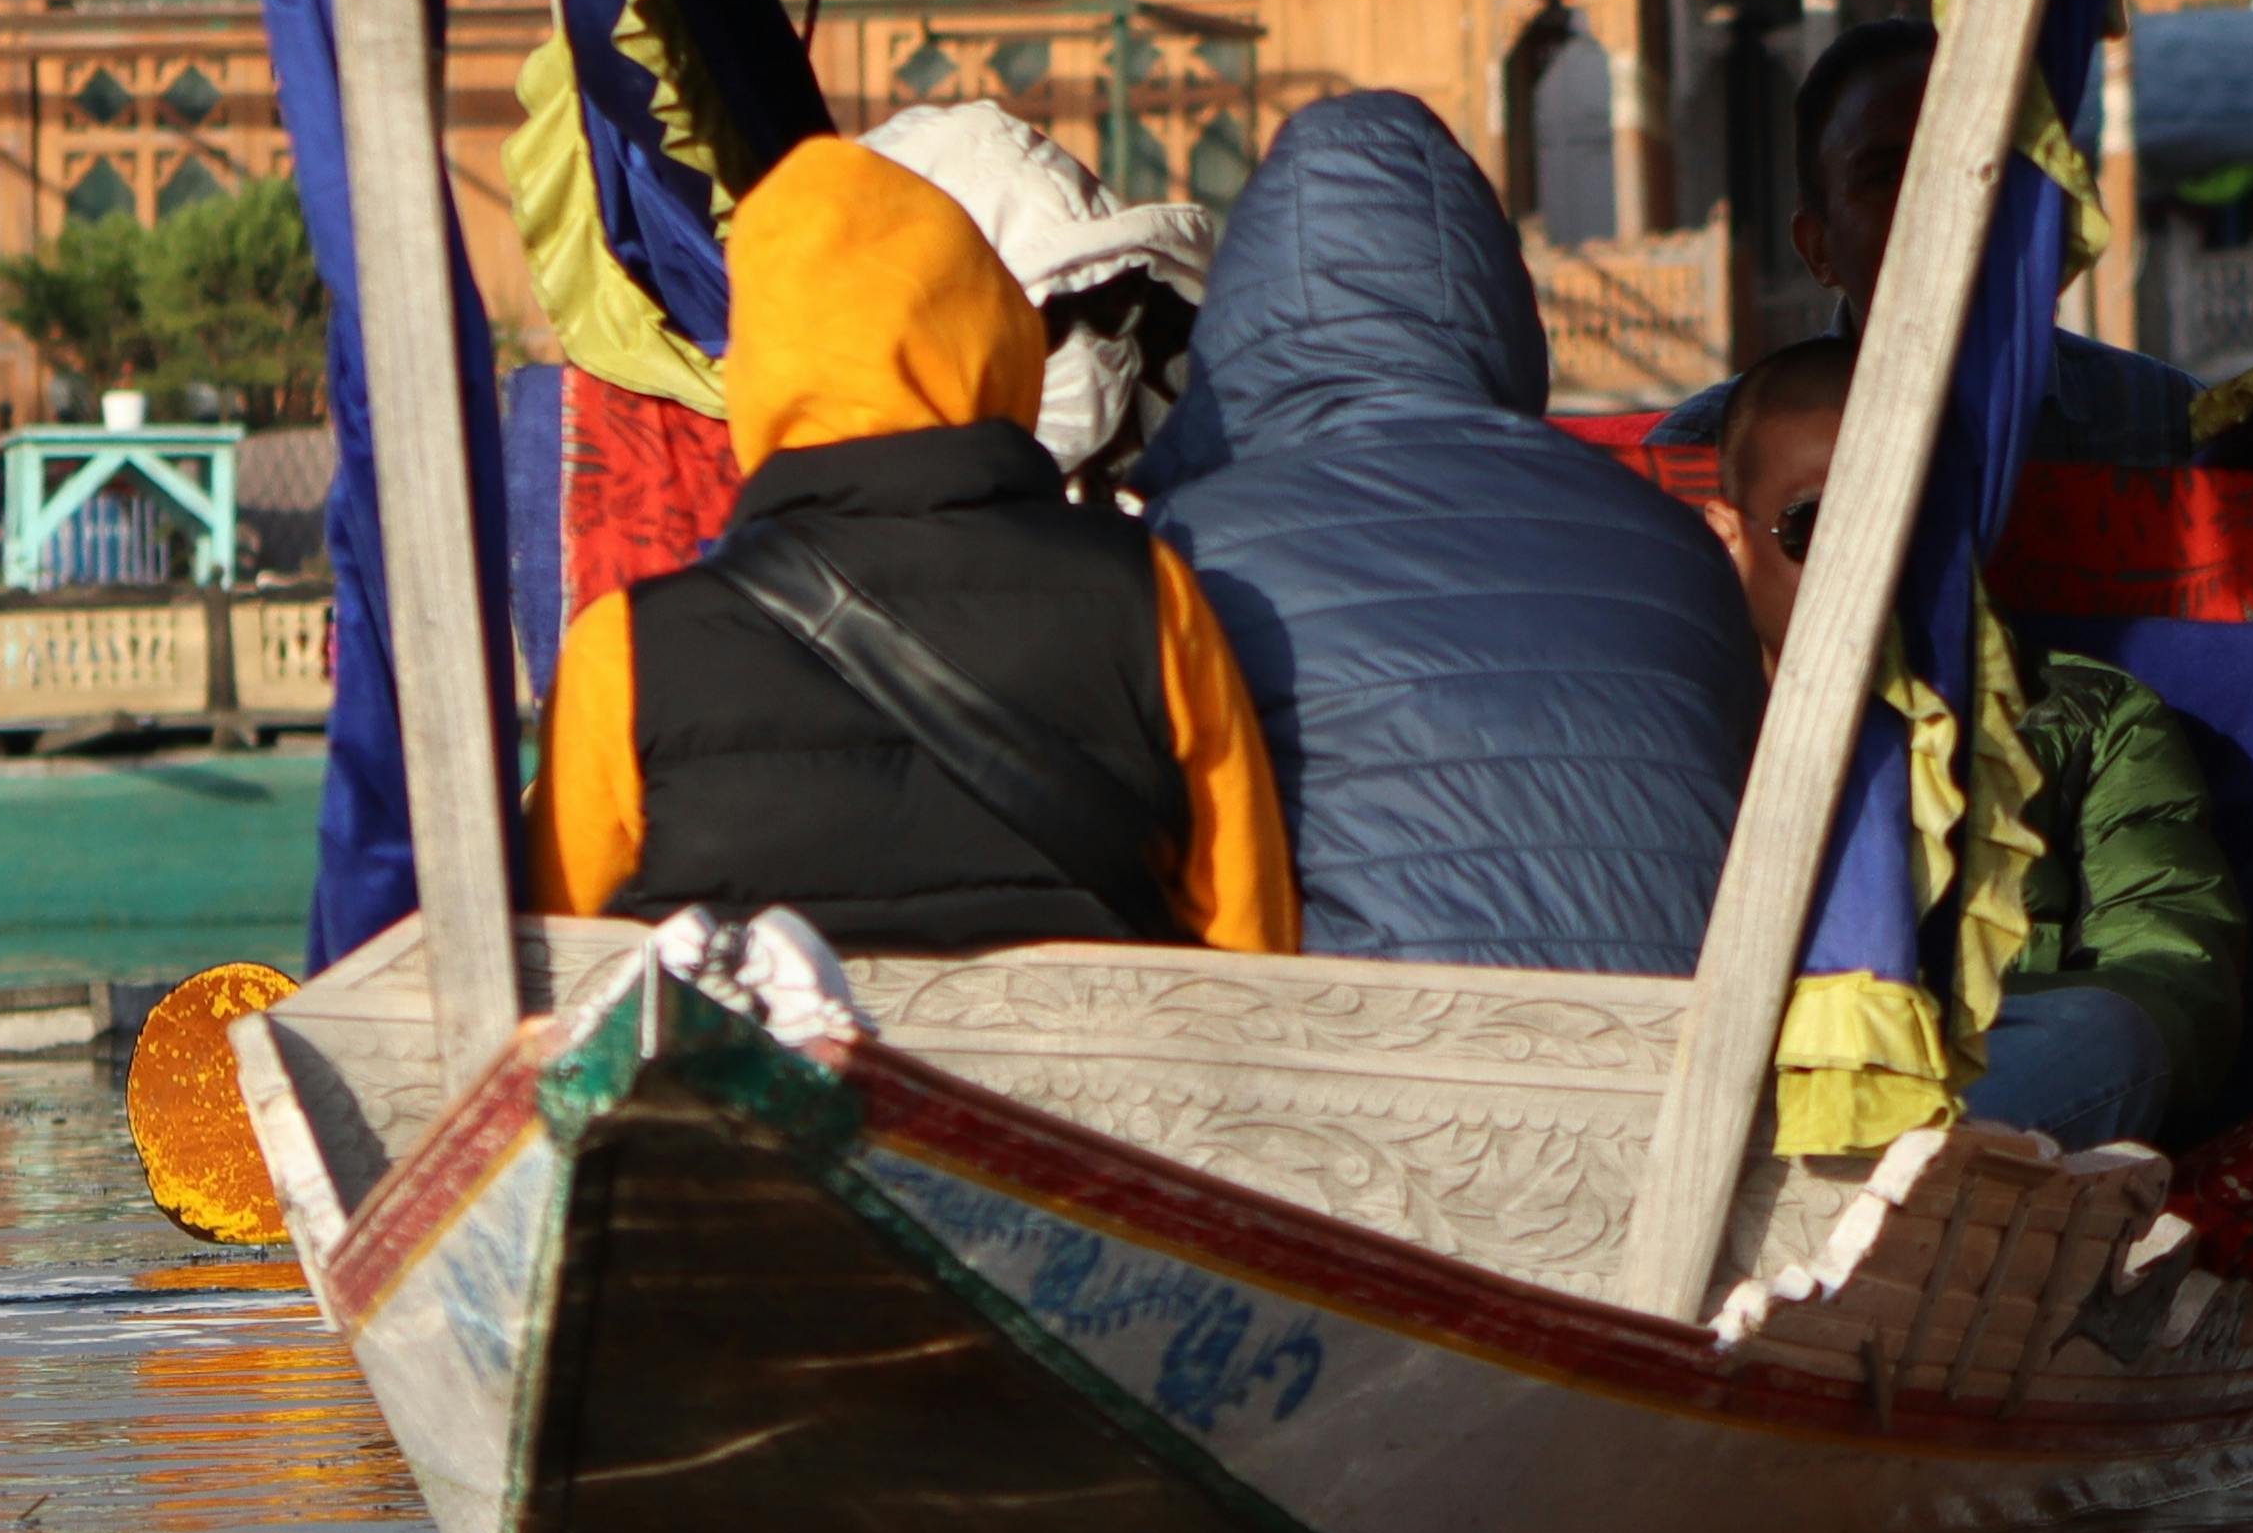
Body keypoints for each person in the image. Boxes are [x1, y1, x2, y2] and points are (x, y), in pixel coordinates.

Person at [530, 135, 1297, 952]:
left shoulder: (626, 648)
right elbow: (1252, 937)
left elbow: (564, 959)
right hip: (1094, 1042)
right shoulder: (1145, 594)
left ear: (758, 367)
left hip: (770, 1042)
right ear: (994, 331)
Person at [1141, 90, 1764, 974]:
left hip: (1368, 1046)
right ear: (1498, 296)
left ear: (1248, 306)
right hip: (1684, 1045)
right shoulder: (1676, 547)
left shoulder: (1188, 546)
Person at [1713, 333, 2247, 1148]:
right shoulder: (1682, 725)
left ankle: (1862, 1161)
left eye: (1909, 520)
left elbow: (2176, 982)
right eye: (1815, 524)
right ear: (1731, 538)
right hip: (1725, 1078)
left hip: (1980, 1082)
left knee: (2115, 1038)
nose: (1873, 562)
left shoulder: (2091, 716)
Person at [1652, 17, 2204, 467]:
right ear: (1817, 248)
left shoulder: (2168, 430)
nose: (1938, 201)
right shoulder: (1705, 456)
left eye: (1976, 164)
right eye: (1887, 175)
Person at [859, 96, 1215, 499]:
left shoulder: (1217, 473)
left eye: (1109, 303)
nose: (1085, 349)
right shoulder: (869, 529)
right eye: (1047, 323)